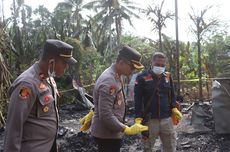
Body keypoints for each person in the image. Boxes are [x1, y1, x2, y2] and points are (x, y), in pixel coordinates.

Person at [3, 39, 77, 152]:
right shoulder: (27, 84)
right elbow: (14, 127)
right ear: (51, 62)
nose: (66, 67)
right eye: (64, 63)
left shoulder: (48, 78)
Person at [88, 45, 148, 152]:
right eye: (132, 67)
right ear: (121, 62)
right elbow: (106, 115)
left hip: (111, 132)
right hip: (106, 134)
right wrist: (126, 129)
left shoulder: (116, 75)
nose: (133, 70)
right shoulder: (109, 81)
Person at [134, 52, 182, 152]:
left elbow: (172, 95)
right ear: (152, 63)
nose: (160, 67)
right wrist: (138, 117)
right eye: (157, 65)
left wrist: (173, 108)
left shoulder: (167, 77)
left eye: (162, 65)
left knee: (171, 147)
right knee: (148, 147)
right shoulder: (142, 77)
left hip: (167, 119)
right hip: (150, 120)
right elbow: (137, 99)